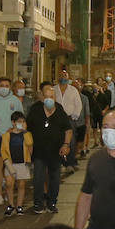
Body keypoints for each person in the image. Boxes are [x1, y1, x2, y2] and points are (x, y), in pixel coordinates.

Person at [29, 83, 73, 214]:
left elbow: (68, 129)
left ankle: (52, 202)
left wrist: (66, 144)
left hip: (56, 151)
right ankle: (38, 202)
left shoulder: (59, 110)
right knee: (39, 177)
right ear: (42, 97)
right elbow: (28, 129)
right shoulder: (35, 110)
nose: (49, 99)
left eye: (52, 97)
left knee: (55, 178)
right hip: (39, 151)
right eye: (47, 96)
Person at [0, 76, 24, 205]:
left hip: (12, 136)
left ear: (10, 87)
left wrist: (16, 130)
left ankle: (12, 189)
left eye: (7, 86)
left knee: (13, 164)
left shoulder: (15, 100)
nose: (4, 88)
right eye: (2, 85)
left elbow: (21, 119)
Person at [0, 113, 32, 217]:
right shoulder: (7, 135)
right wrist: (6, 161)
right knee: (9, 184)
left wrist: (25, 131)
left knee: (21, 185)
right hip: (10, 163)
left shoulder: (26, 134)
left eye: (23, 121)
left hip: (22, 163)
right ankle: (11, 205)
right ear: (13, 122)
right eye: (19, 121)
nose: (21, 124)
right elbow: (3, 149)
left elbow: (30, 143)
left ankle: (19, 206)